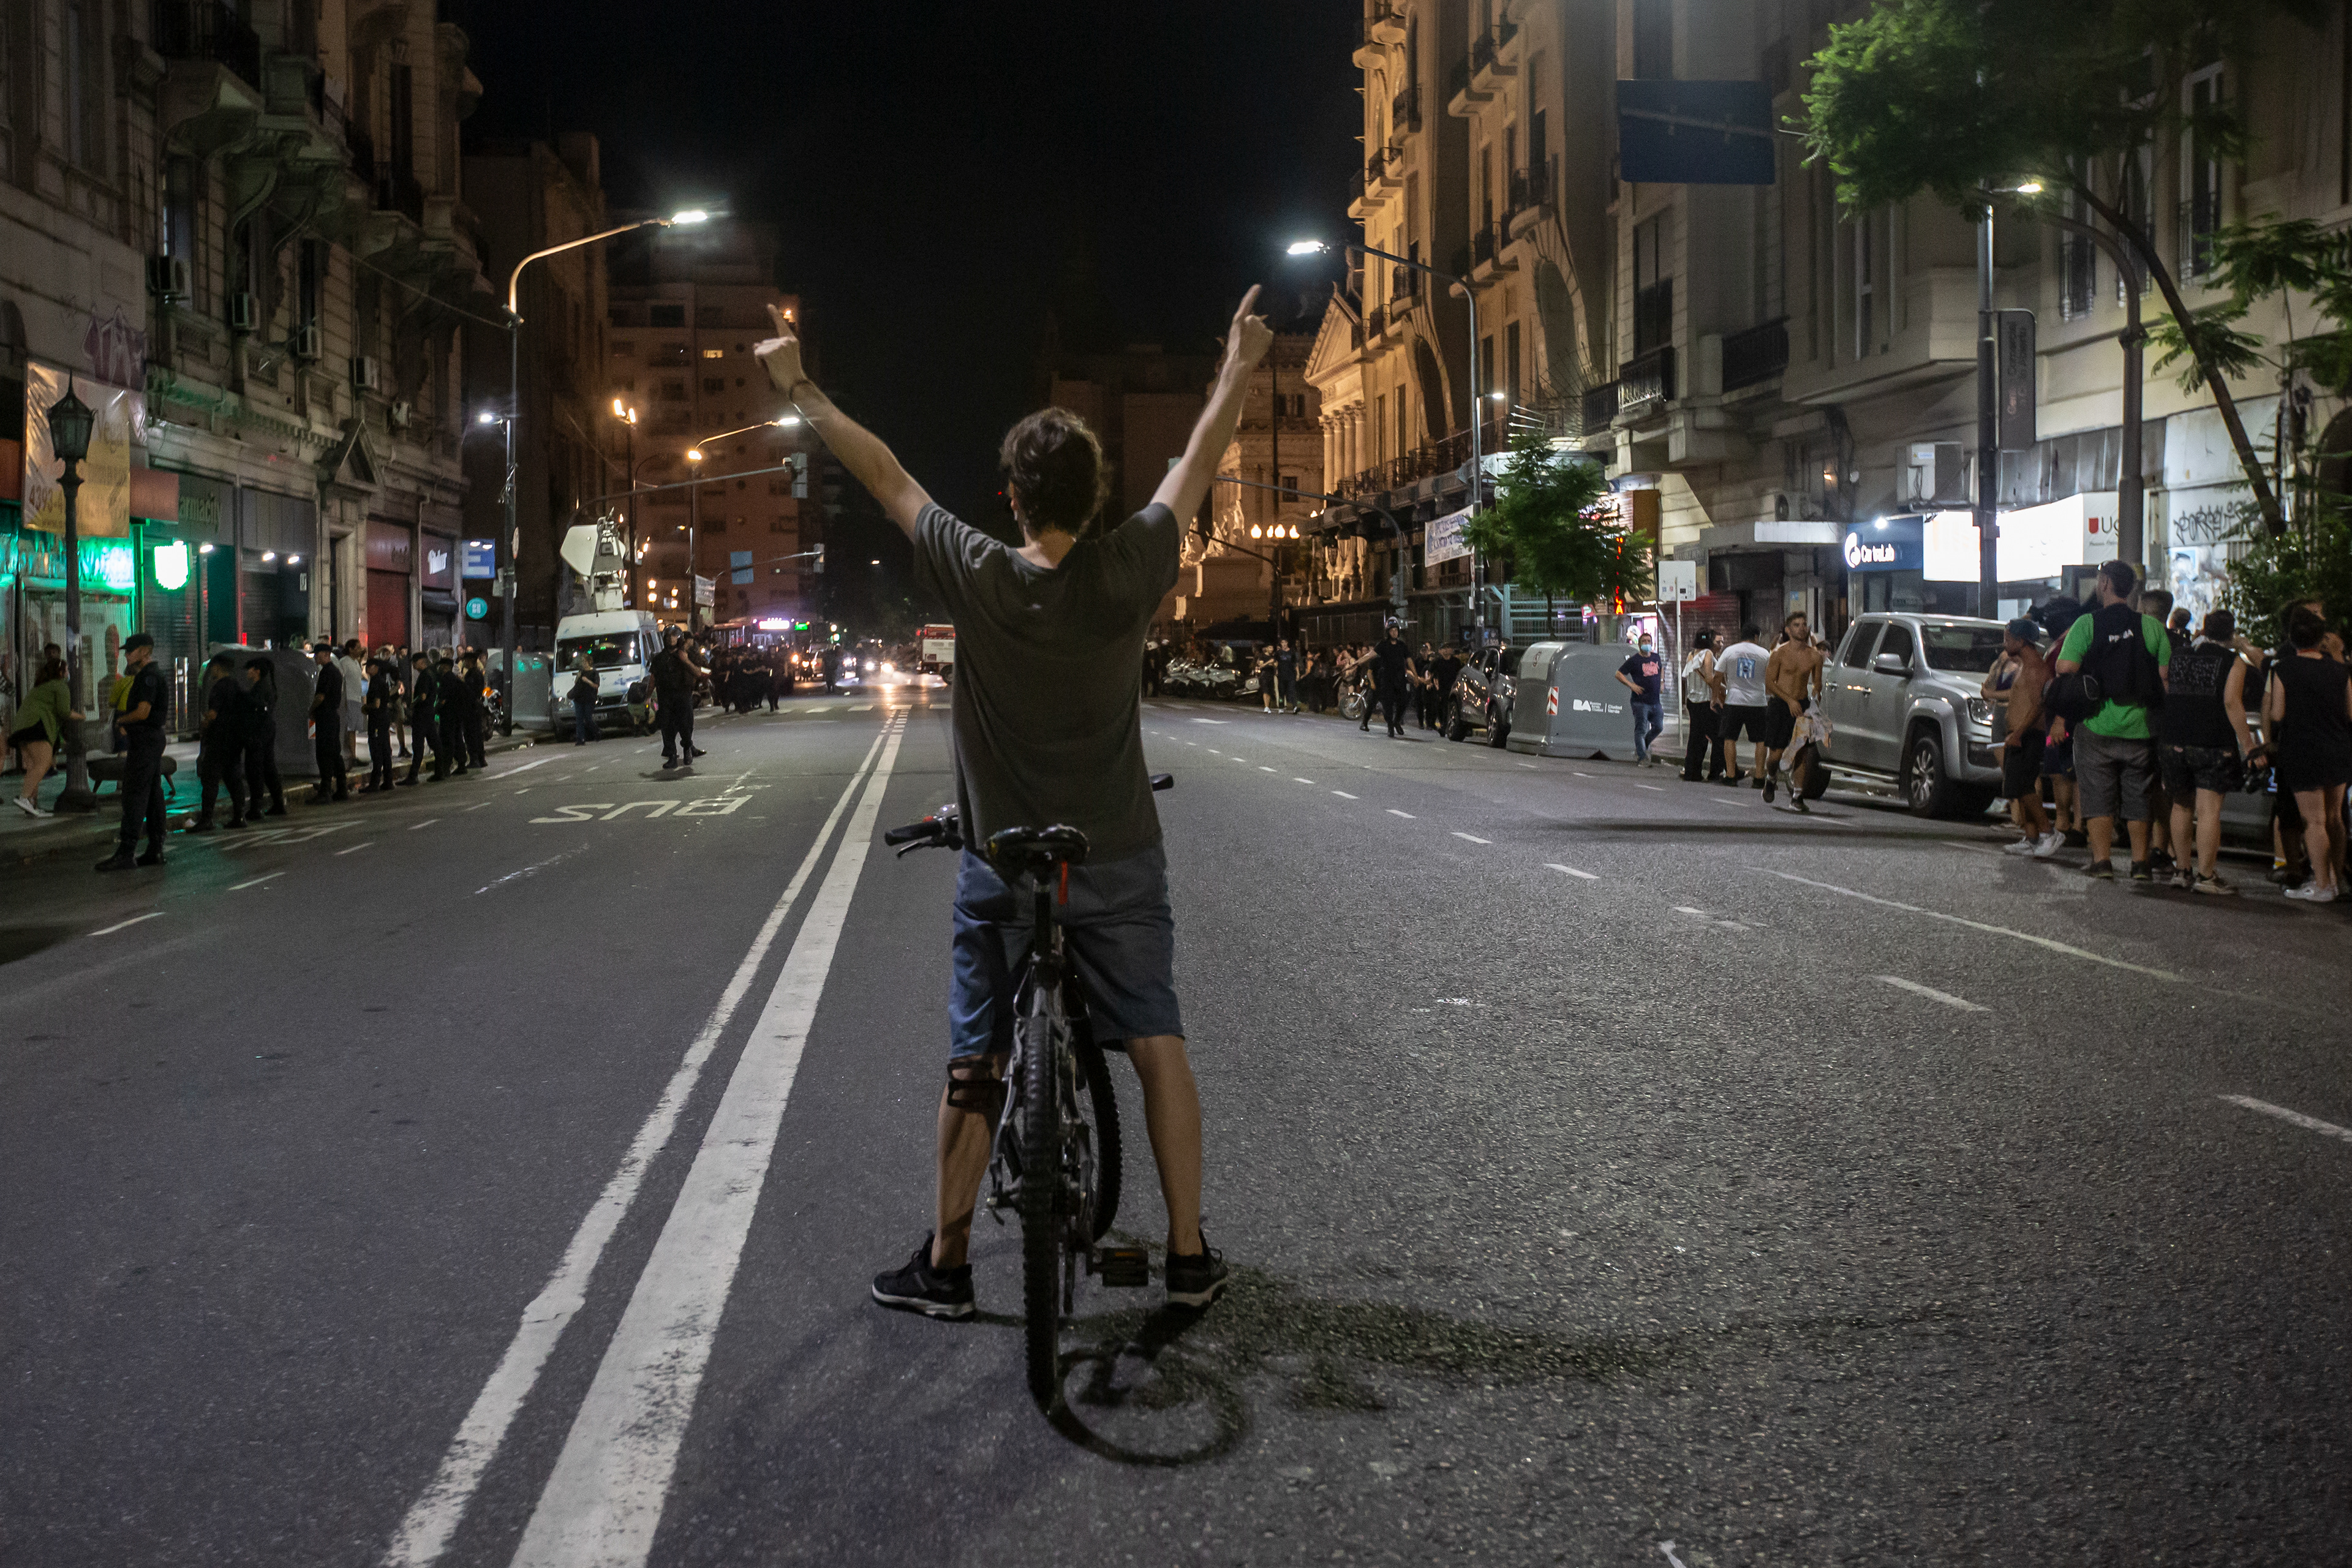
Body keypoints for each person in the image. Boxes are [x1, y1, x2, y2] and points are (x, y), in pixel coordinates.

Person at [755, 289, 1257, 1316]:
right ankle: (1188, 1253)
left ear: (1015, 499)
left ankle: (946, 1265)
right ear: (1096, 494)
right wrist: (1240, 368)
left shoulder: (978, 571)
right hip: (1117, 858)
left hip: (1000, 863)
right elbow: (1200, 461)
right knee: (1156, 1041)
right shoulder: (1132, 566)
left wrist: (800, 385)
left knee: (976, 1058)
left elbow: (885, 475)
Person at [2053, 559, 2173, 881]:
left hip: (2096, 724)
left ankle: (2102, 861)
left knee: (2098, 795)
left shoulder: (2087, 624)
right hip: (2141, 727)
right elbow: (2165, 679)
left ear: (2105, 584)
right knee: (2139, 796)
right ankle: (2140, 864)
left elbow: (2065, 668)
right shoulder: (2152, 628)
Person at [2158, 609, 2254, 894]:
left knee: (2180, 805)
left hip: (2174, 739)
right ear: (2231, 633)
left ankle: (2181, 870)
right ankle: (2206, 876)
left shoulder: (2180, 656)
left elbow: (2168, 688)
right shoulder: (2232, 661)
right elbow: (2231, 703)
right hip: (2212, 741)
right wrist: (2248, 744)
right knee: (2208, 810)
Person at [2264, 606, 2352, 903]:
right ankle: (2337, 879)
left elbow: (2277, 714)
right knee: (2335, 818)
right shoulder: (2340, 670)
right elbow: (2350, 712)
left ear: (2292, 638)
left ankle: (2322, 885)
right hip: (2338, 747)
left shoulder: (2284, 669)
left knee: (2314, 821)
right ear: (2320, 638)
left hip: (2303, 749)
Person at [1983, 619, 2058, 856]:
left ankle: (2048, 832)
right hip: (2019, 736)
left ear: (2021, 641)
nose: (2004, 644)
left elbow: (2038, 706)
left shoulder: (2035, 668)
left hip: (2027, 736)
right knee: (2016, 788)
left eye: (2008, 639)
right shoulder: (2023, 665)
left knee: (2023, 786)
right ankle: (2032, 837)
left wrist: (2019, 732)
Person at [97, 633, 170, 871]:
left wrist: (121, 721)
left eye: (131, 651)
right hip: (151, 740)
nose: (126, 655)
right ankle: (155, 849)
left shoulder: (148, 677)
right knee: (153, 795)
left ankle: (126, 852)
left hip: (145, 742)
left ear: (145, 651)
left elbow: (143, 712)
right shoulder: (151, 675)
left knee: (134, 795)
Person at [1757, 614, 1824, 802]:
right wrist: (1789, 701)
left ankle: (1798, 797)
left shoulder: (1815, 656)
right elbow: (1769, 683)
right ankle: (1771, 778)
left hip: (1802, 706)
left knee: (1801, 753)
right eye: (1796, 625)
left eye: (1804, 625)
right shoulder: (1779, 653)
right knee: (1775, 756)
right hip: (1780, 705)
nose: (1802, 628)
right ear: (1788, 630)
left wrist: (1816, 696)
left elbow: (1817, 684)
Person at [9, 654, 79, 818]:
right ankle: (24, 798)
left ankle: (31, 804)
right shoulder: (60, 686)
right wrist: (81, 716)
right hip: (37, 727)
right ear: (60, 673)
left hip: (21, 728)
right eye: (67, 670)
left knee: (33, 767)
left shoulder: (40, 687)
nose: (68, 673)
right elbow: (64, 711)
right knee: (44, 763)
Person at [187, 652, 248, 829]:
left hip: (219, 739)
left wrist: (204, 723)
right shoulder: (236, 686)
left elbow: (213, 714)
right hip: (234, 740)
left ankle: (207, 819)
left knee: (210, 779)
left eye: (212, 668)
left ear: (217, 667)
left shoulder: (219, 687)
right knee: (234, 779)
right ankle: (240, 816)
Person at [1713, 624, 1771, 784]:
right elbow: (1770, 678)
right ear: (1756, 637)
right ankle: (1759, 777)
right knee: (1761, 740)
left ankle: (1731, 776)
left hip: (1734, 701)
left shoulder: (1729, 651)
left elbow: (1717, 676)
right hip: (1758, 702)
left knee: (1730, 738)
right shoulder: (1764, 654)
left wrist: (1715, 698)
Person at [241, 656, 287, 816]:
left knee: (255, 770)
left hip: (258, 732)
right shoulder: (268, 686)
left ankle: (256, 808)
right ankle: (278, 804)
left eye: (250, 669)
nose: (247, 673)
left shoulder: (260, 689)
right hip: (267, 731)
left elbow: (259, 709)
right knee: (268, 768)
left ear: (257, 671)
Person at [652, 630, 704, 769]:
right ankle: (672, 756)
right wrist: (648, 696)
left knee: (686, 726)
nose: (671, 639)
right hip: (665, 698)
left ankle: (688, 748)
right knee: (667, 728)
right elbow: (653, 678)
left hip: (683, 696)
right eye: (668, 636)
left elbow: (698, 673)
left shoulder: (686, 655)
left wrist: (685, 660)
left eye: (674, 636)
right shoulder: (659, 658)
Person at [1614, 630, 1665, 765]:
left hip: (1655, 701)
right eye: (1644, 641)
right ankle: (1642, 757)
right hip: (1640, 701)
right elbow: (1619, 674)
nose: (1647, 644)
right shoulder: (1635, 660)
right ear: (1639, 644)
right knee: (1641, 729)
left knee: (1659, 727)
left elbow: (1661, 669)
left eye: (1649, 641)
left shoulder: (1656, 657)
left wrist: (1662, 682)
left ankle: (1641, 748)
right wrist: (1631, 685)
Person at [309, 642, 350, 802]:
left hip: (325, 717)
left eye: (317, 654)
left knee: (324, 754)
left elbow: (320, 696)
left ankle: (325, 791)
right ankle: (342, 789)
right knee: (334, 754)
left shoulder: (326, 672)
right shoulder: (336, 672)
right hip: (333, 717)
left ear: (326, 654)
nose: (315, 657)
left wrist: (311, 710)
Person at [1678, 631, 1721, 782]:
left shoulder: (1691, 654)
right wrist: (1721, 689)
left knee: (1696, 738)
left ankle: (1692, 772)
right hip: (1705, 701)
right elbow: (1709, 678)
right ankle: (1716, 772)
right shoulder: (1707, 654)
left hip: (1692, 701)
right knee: (1719, 737)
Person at [1371, 624, 1417, 739]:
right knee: (1388, 705)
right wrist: (1357, 662)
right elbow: (1370, 655)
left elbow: (1409, 660)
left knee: (1404, 700)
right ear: (1388, 632)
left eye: (1396, 630)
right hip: (1387, 680)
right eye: (1392, 630)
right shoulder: (1383, 645)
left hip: (1400, 679)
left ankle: (1397, 721)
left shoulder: (1402, 645)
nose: (1394, 632)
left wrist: (1416, 676)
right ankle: (1390, 727)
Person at [361, 654, 398, 793]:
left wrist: (366, 708)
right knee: (385, 750)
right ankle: (388, 780)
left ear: (375, 667)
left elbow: (376, 704)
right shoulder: (382, 682)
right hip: (384, 719)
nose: (367, 670)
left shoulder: (376, 682)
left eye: (369, 667)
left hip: (377, 720)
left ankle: (375, 782)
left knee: (376, 750)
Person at [401, 651, 438, 785]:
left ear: (422, 662)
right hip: (429, 713)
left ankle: (413, 776)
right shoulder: (431, 674)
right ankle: (441, 770)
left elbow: (422, 696)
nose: (413, 665)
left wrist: (413, 704)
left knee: (418, 745)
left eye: (415, 663)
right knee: (434, 742)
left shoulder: (425, 676)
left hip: (422, 714)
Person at [434, 654, 470, 777]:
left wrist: (436, 709)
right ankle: (461, 764)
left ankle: (446, 768)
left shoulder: (446, 680)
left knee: (447, 741)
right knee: (458, 739)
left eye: (441, 666)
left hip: (448, 715)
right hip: (457, 715)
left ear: (445, 667)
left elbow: (443, 699)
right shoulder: (456, 680)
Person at [335, 638, 366, 768]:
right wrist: (343, 699)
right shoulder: (344, 662)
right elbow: (341, 681)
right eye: (357, 648)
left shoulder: (356, 662)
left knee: (353, 729)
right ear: (350, 649)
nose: (360, 650)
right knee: (349, 729)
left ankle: (352, 755)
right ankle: (350, 756)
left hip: (356, 699)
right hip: (349, 699)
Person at [568, 652, 601, 745]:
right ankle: (580, 739)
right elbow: (576, 683)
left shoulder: (594, 673)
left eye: (585, 661)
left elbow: (596, 685)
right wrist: (578, 677)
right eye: (582, 662)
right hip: (579, 698)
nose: (583, 663)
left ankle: (597, 731)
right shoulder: (581, 672)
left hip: (589, 698)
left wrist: (588, 681)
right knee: (579, 719)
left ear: (589, 662)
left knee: (588, 718)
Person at [1273, 638, 1300, 715]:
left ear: (1288, 643)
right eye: (1282, 642)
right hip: (1282, 675)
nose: (1284, 644)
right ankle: (1281, 707)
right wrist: (1276, 669)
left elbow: (1295, 663)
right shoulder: (1278, 653)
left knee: (1292, 691)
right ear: (1280, 644)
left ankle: (1295, 707)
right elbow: (1275, 662)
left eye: (1285, 642)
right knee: (1281, 691)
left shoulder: (1292, 652)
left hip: (1291, 674)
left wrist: (1298, 673)